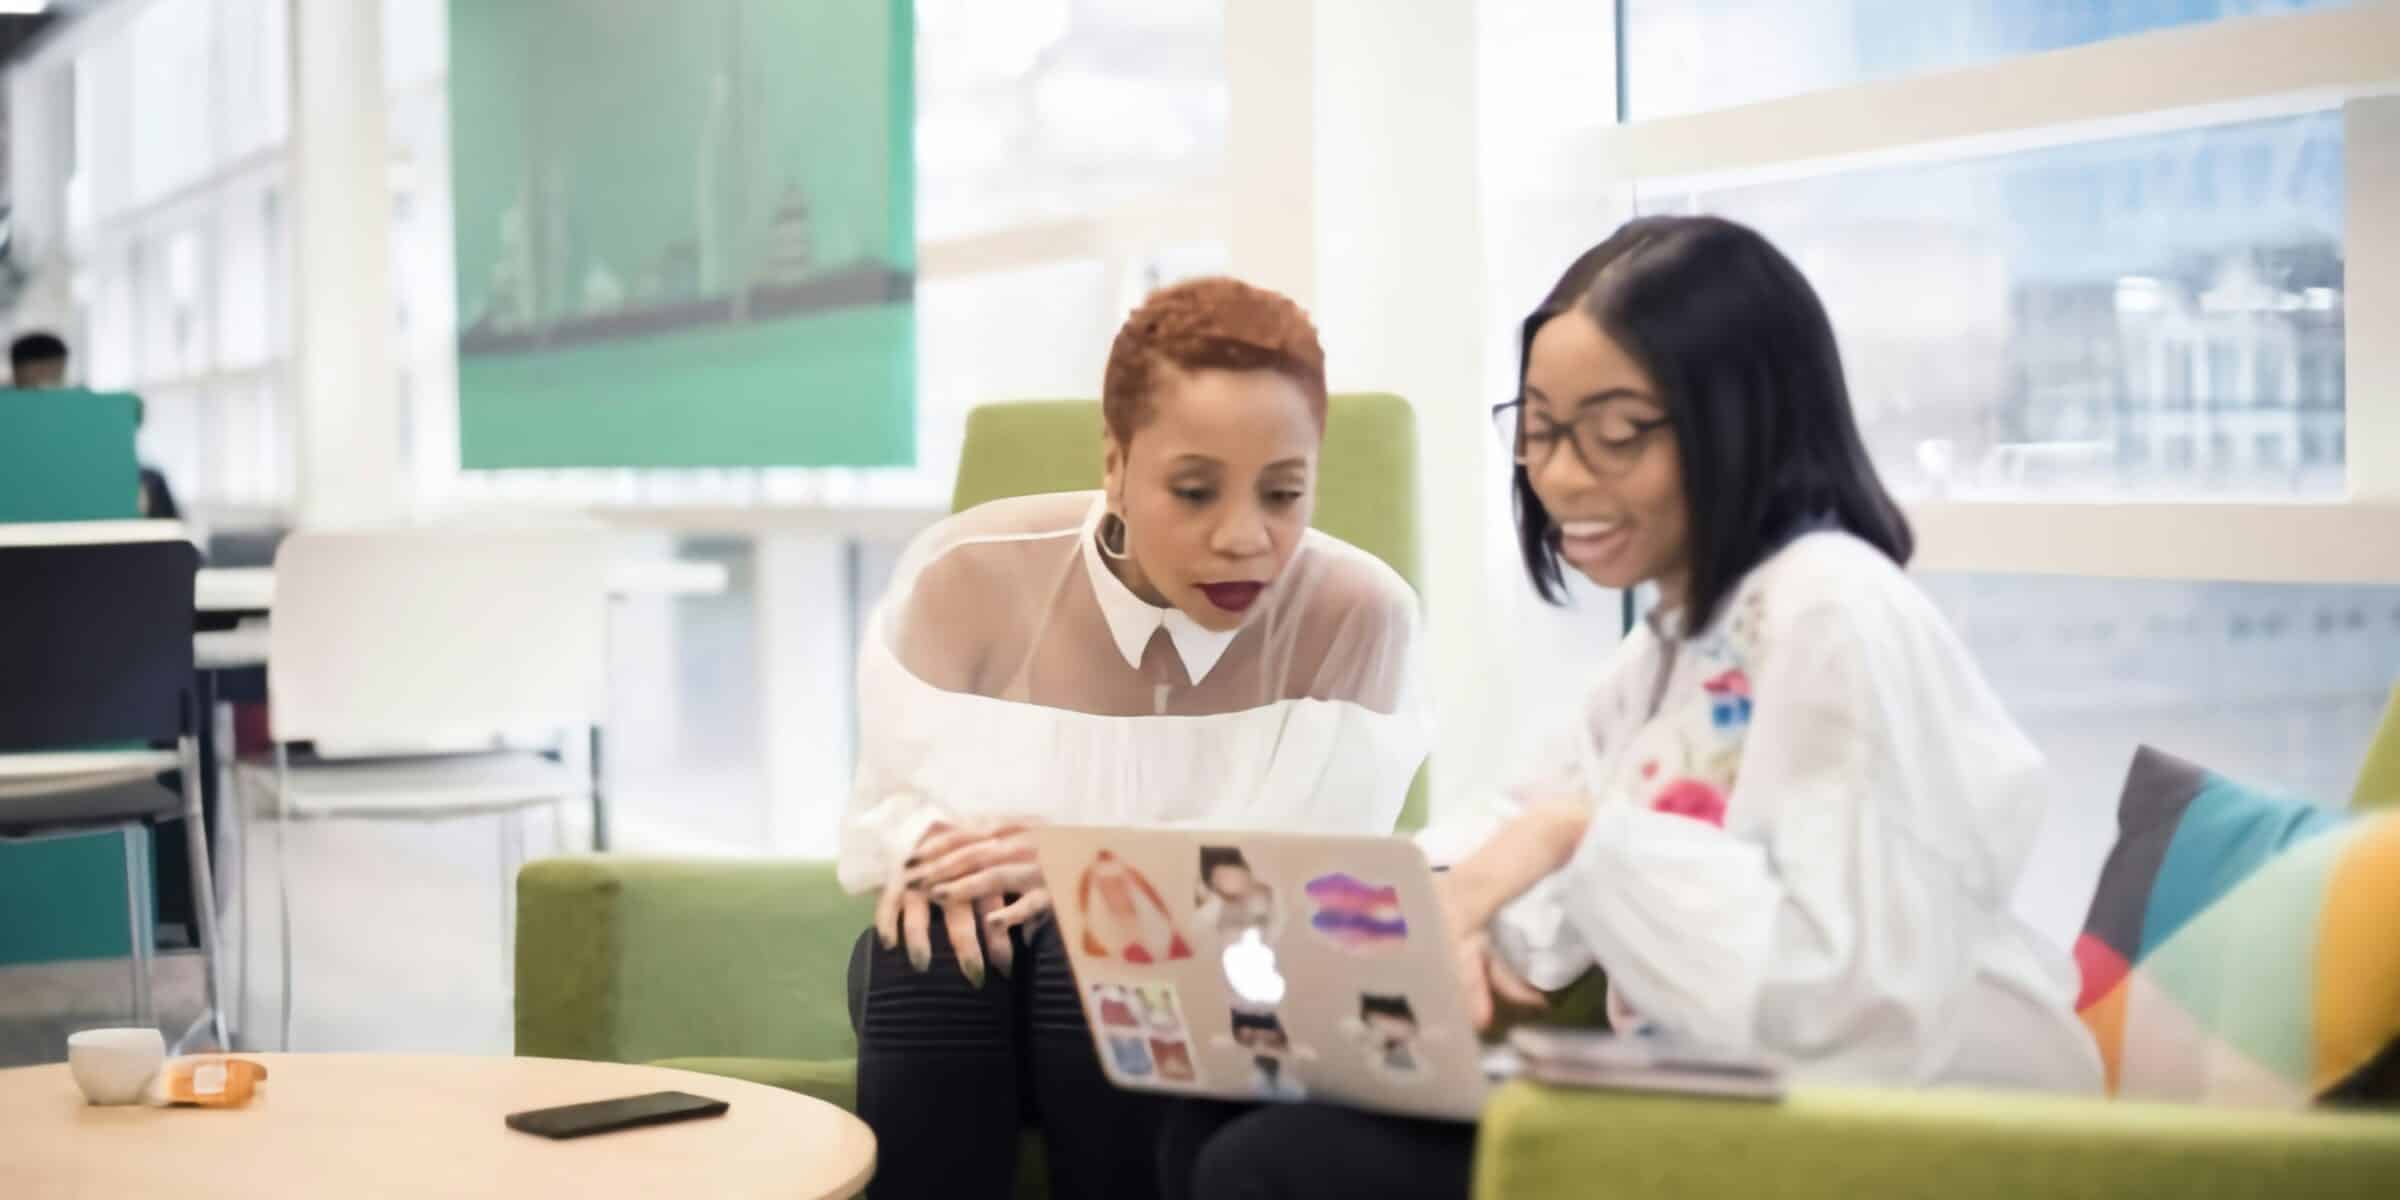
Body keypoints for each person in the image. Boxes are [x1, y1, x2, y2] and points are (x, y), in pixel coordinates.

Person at [1163, 216, 2102, 1200]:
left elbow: (1854, 1007)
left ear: (1741, 423)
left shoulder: (1834, 610)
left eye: (1616, 435)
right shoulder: (1670, 644)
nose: (1562, 476)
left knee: (1275, 1165)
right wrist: (1395, 911)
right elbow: (1516, 837)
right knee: (1221, 1104)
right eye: (1538, 432)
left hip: (1896, 1139)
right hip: (1719, 1104)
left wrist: (1571, 841)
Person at [840, 276, 1428, 1200]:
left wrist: (1093, 870)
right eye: (1194, 492)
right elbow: (890, 808)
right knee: (933, 955)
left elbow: (1311, 890)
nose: (1245, 539)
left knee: (1104, 955)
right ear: (1114, 464)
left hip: (1229, 978)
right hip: (978, 980)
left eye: (1283, 493)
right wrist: (926, 856)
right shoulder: (968, 574)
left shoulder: (1361, 615)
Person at [10, 330, 180, 519]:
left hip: (81, 475)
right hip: (30, 480)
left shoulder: (82, 404)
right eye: (37, 373)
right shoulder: (10, 411)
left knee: (150, 482)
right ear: (17, 374)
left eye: (54, 373)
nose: (45, 382)